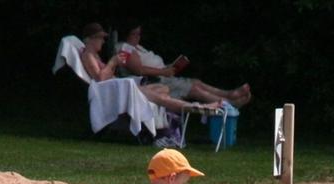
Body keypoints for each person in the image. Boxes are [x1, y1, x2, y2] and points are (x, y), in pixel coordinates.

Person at [77, 22, 220, 115]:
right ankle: (198, 108)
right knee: (161, 98)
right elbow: (100, 79)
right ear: (90, 39)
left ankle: (194, 107)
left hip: (120, 87)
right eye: (100, 38)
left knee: (163, 90)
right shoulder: (88, 55)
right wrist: (113, 62)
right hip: (117, 92)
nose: (103, 40)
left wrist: (114, 64)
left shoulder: (94, 55)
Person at [116, 22, 251, 109]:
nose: (138, 37)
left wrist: (170, 68)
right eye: (135, 34)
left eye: (139, 33)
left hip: (163, 76)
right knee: (194, 89)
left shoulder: (136, 47)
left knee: (196, 82)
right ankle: (228, 104)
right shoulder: (124, 48)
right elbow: (137, 70)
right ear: (126, 34)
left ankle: (228, 94)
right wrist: (163, 72)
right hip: (153, 82)